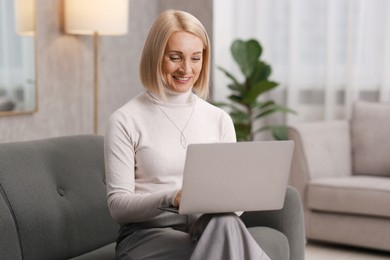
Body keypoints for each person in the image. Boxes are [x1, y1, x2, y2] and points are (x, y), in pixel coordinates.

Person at [104, 9, 270, 260]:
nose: (187, 69)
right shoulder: (125, 120)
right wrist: (173, 198)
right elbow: (118, 208)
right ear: (155, 56)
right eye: (175, 57)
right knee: (229, 247)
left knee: (225, 224)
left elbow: (234, 211)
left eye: (196, 58)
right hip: (147, 235)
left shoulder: (219, 119)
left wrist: (240, 195)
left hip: (208, 228)